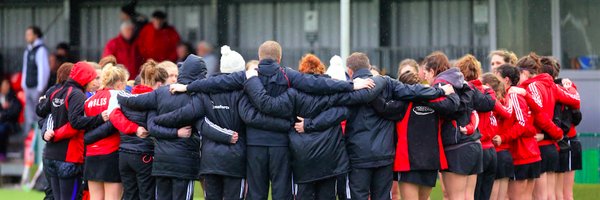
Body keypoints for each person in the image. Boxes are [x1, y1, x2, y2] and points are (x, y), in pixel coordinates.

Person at [168, 41, 376, 200]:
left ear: (259, 56)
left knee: (257, 194)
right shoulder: (288, 75)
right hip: (280, 145)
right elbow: (318, 85)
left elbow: (217, 82)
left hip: (255, 145)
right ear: (280, 57)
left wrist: (188, 87)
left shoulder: (249, 75)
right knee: (281, 193)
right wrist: (351, 86)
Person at [151, 46, 292, 200]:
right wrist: (285, 124)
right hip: (235, 160)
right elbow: (249, 117)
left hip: (211, 161)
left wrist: (158, 121)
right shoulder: (244, 91)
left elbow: (197, 120)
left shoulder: (205, 90)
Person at [242, 54, 387, 199]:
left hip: (303, 158)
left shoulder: (293, 94)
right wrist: (380, 80)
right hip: (330, 157)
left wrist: (303, 124)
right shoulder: (333, 92)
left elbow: (273, 108)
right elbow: (345, 110)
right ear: (322, 70)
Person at [342, 52, 453, 200]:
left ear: (350, 71)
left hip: (362, 155)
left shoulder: (349, 89)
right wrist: (440, 91)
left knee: (360, 196)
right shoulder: (389, 84)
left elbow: (339, 114)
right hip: (390, 155)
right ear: (368, 67)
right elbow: (413, 91)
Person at [117, 54, 205, 200]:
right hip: (184, 162)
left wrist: (119, 94)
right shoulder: (198, 95)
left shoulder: (161, 94)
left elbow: (137, 103)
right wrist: (176, 132)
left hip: (161, 162)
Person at [369, 70, 459, 200]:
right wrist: (452, 92)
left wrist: (372, 85)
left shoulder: (402, 105)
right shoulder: (437, 103)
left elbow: (381, 106)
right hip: (431, 161)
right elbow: (453, 106)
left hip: (408, 162)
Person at [422, 52, 489, 200]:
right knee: (468, 196)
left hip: (457, 146)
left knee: (456, 197)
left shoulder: (441, 84)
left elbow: (450, 107)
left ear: (432, 71)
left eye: (425, 72)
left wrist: (423, 99)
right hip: (474, 144)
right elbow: (484, 102)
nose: (424, 77)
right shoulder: (462, 82)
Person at [516, 53, 580, 200]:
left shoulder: (531, 87)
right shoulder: (551, 85)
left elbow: (539, 114)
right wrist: (570, 87)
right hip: (551, 147)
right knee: (550, 195)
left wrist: (555, 133)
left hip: (539, 146)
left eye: (517, 73)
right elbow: (575, 100)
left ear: (524, 72)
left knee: (538, 196)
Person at [42, 62, 106, 200]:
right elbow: (76, 122)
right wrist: (100, 118)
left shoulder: (56, 91)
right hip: (68, 157)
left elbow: (42, 112)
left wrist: (47, 133)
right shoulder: (77, 94)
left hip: (50, 155)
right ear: (85, 77)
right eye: (94, 78)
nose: (97, 82)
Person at [492, 64, 542, 200]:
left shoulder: (513, 95)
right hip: (529, 152)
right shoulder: (514, 94)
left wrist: (503, 137)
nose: (494, 81)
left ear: (506, 80)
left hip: (522, 154)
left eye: (496, 78)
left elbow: (522, 123)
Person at [83, 64, 130, 200]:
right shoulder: (117, 95)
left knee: (95, 198)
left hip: (92, 154)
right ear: (120, 83)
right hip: (111, 153)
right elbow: (116, 122)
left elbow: (85, 125)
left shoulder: (89, 100)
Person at [456, 54, 499, 200]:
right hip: (490, 150)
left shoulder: (463, 92)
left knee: (467, 195)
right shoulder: (487, 91)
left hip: (475, 146)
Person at [22, 26, 51, 139]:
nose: (27, 37)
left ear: (36, 35)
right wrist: (23, 85)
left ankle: (38, 139)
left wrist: (40, 88)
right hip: (28, 87)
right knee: (29, 116)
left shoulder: (41, 50)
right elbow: (25, 68)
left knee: (38, 115)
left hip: (36, 88)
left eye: (29, 34)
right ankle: (29, 140)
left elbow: (43, 70)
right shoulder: (28, 50)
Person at [0, 77, 22, 162]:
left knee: (2, 130)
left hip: (10, 124)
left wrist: (2, 115)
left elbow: (15, 111)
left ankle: (2, 153)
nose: (5, 87)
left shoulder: (13, 98)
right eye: (3, 85)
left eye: (7, 85)